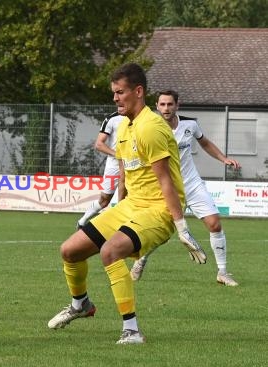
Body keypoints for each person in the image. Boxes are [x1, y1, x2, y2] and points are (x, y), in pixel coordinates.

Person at [47, 63, 206, 344]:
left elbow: (166, 181)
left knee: (110, 251)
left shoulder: (151, 127)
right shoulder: (124, 127)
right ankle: (80, 304)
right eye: (114, 93)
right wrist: (117, 210)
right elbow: (124, 175)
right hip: (131, 206)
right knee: (70, 251)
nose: (115, 98)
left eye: (120, 92)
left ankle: (131, 330)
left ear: (139, 91)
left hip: (157, 211)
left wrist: (181, 227)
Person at [130, 90, 240, 286]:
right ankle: (141, 259)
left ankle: (223, 272)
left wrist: (223, 158)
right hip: (167, 188)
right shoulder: (150, 129)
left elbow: (205, 142)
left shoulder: (190, 125)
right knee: (162, 233)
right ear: (157, 106)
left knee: (215, 223)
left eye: (170, 104)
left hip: (192, 184)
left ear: (177, 106)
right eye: (162, 104)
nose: (166, 108)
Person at [76, 111, 124, 229]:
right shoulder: (112, 119)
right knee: (104, 200)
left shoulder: (142, 116)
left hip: (134, 164)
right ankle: (83, 221)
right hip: (114, 165)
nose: (119, 101)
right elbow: (99, 144)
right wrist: (117, 154)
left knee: (125, 199)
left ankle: (119, 228)